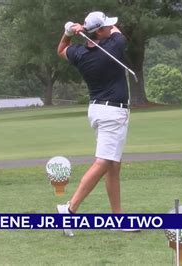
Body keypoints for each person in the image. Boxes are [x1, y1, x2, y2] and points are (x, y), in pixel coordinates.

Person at [56, 11, 135, 236]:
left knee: (113, 166)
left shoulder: (80, 53)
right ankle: (69, 210)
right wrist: (84, 30)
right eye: (106, 27)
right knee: (104, 162)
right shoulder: (115, 46)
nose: (111, 28)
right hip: (112, 113)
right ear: (99, 31)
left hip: (97, 110)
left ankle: (118, 219)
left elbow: (61, 49)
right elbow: (117, 33)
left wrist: (69, 31)